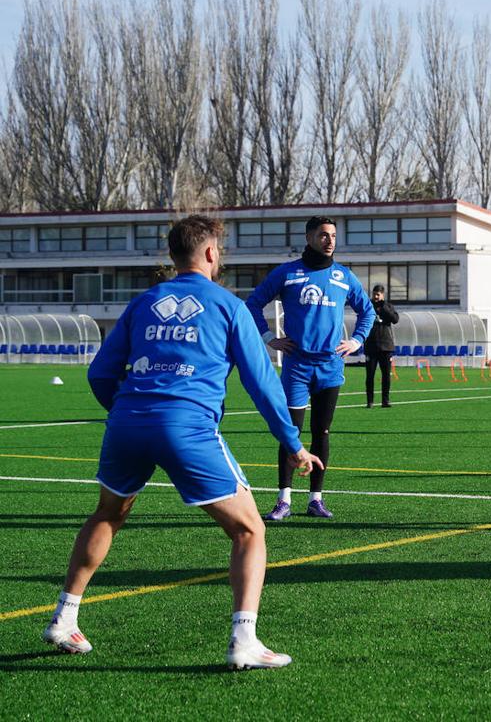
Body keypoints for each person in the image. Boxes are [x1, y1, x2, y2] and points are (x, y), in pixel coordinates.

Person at [42, 215, 322, 670]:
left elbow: (99, 373)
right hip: (186, 428)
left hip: (127, 423)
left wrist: (126, 412)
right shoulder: (228, 306)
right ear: (211, 253)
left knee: (108, 514)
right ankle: (244, 640)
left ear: (173, 256)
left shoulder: (142, 303)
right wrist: (293, 445)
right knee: (250, 529)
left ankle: (64, 615)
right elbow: (263, 385)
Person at [247, 216, 374, 521]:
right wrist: (268, 338)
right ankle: (283, 500)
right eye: (323, 235)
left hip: (330, 367)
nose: (329, 240)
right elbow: (252, 303)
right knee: (290, 432)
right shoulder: (287, 273)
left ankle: (316, 499)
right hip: (297, 367)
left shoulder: (344, 277)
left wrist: (356, 341)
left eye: (332, 235)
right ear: (309, 237)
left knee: (322, 432)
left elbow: (366, 312)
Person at [363, 284, 399, 408]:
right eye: (374, 294)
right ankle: (370, 401)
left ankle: (385, 400)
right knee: (370, 376)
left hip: (386, 347)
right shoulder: (368, 306)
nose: (376, 296)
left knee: (386, 376)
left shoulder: (388, 306)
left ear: (383, 295)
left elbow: (395, 319)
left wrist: (383, 307)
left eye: (378, 294)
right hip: (371, 347)